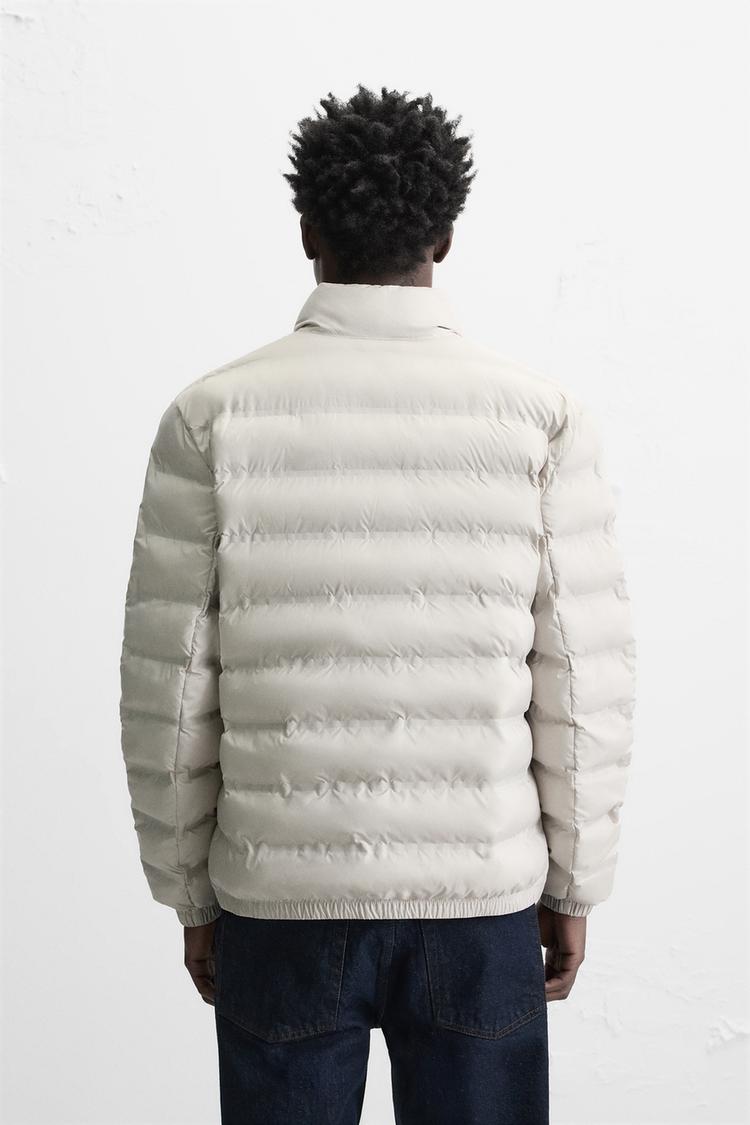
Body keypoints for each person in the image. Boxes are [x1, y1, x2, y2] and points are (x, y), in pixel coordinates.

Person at [119, 84, 637, 1125]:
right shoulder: (539, 417)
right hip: (478, 898)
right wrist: (574, 884)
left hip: (279, 903)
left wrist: (189, 893)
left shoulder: (212, 417)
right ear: (445, 236)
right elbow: (580, 681)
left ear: (306, 230)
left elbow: (169, 691)